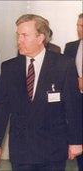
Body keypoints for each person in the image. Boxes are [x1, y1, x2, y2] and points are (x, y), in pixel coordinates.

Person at [0, 14, 82, 171]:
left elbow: (73, 106)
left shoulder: (63, 64)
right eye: (18, 35)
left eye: (25, 35)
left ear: (40, 38)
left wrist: (76, 141)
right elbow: (2, 109)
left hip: (53, 150)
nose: (19, 40)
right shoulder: (9, 68)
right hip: (21, 151)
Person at [64, 13, 83, 171]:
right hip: (76, 105)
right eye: (78, 25)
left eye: (82, 26)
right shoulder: (70, 47)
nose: (79, 29)